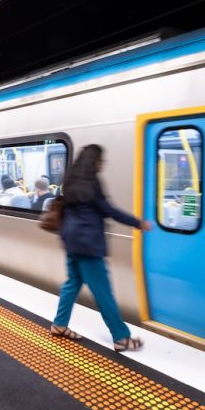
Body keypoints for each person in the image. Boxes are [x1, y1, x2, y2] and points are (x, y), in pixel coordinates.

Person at [50, 144, 152, 351]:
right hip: (88, 245)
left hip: (71, 241)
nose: (102, 164)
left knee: (72, 284)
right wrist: (137, 223)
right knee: (103, 292)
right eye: (101, 161)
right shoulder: (92, 183)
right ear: (94, 162)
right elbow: (109, 210)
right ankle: (121, 338)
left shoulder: (70, 181)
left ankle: (59, 325)